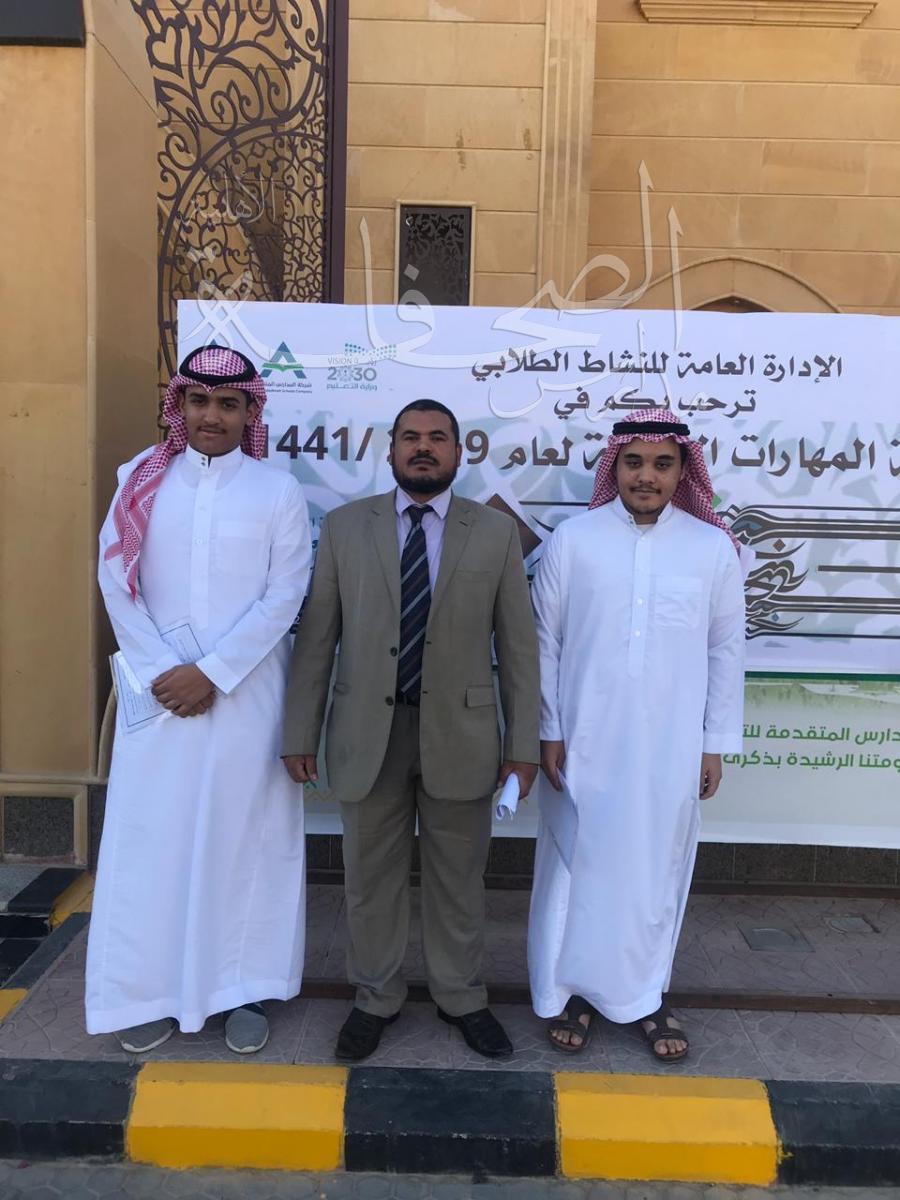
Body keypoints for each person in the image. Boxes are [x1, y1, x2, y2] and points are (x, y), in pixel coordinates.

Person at [282, 399, 539, 1062]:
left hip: (463, 736)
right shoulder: (345, 527)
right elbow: (318, 637)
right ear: (391, 449)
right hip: (367, 734)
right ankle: (375, 998)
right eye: (411, 437)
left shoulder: (495, 533)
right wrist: (300, 731)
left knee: (459, 880)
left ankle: (463, 997)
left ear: (459, 451)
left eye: (437, 438)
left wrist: (523, 747)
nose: (423, 448)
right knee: (370, 880)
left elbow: (518, 649)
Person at [87, 344, 312, 1055]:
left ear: (249, 412)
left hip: (247, 699)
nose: (212, 416)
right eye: (199, 401)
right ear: (178, 406)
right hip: (158, 699)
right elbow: (116, 583)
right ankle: (147, 991)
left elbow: (285, 595)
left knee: (246, 842)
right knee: (153, 841)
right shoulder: (139, 481)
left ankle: (243, 989)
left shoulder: (277, 491)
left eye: (228, 404)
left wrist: (211, 672)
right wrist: (166, 672)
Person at [527, 407, 746, 1062]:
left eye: (661, 464)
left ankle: (645, 996)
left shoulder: (711, 548)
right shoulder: (574, 541)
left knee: (654, 872)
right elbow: (544, 643)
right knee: (577, 868)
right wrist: (548, 730)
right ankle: (570, 992)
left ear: (682, 472)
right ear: (614, 466)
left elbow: (726, 650)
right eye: (633, 462)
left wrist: (713, 743)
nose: (646, 476)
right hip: (582, 740)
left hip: (669, 747)